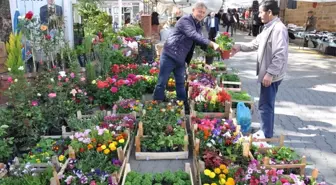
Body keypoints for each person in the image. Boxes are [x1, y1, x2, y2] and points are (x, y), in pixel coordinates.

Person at [231, 0, 288, 138]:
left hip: (271, 75)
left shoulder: (279, 29)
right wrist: (239, 47)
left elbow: (280, 54)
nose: (259, 15)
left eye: (261, 12)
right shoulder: (268, 26)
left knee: (265, 104)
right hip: (269, 73)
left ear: (269, 12)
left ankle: (266, 133)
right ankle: (265, 129)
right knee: (265, 103)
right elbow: (255, 43)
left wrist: (270, 73)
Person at [153, 2, 220, 114]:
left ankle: (183, 106)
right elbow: (193, 35)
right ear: (193, 10)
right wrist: (211, 43)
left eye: (203, 13)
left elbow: (198, 41)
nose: (201, 14)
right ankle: (156, 104)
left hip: (180, 59)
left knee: (180, 83)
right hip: (169, 55)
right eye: (199, 12)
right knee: (162, 82)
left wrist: (212, 51)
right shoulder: (185, 20)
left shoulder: (197, 24)